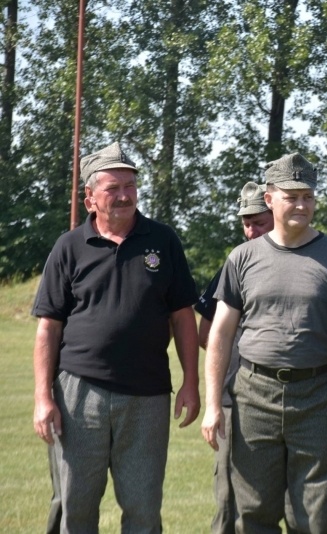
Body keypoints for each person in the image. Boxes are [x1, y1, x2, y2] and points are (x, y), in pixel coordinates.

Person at [32, 141, 200, 532]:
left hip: (148, 397)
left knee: (143, 509)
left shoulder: (164, 241)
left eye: (130, 185)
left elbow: (183, 318)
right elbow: (49, 326)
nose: (124, 195)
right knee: (76, 506)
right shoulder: (69, 247)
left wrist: (190, 383)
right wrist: (43, 396)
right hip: (78, 394)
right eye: (113, 188)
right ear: (90, 197)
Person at [200, 152, 327, 533]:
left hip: (319, 398)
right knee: (253, 514)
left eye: (308, 196)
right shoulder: (242, 257)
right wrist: (213, 406)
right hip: (253, 397)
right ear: (270, 198)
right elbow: (221, 333)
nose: (302, 204)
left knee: (317, 518)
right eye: (292, 196)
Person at [195, 181, 274, 534]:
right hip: (233, 400)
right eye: (246, 222)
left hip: (291, 400)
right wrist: (237, 359)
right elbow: (204, 333)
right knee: (230, 501)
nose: (251, 230)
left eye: (259, 221)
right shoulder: (236, 264)